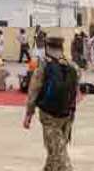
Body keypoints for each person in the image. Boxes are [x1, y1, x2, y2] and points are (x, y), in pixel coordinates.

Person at [23, 37, 80, 171]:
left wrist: (28, 115)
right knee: (56, 149)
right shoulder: (72, 66)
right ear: (61, 48)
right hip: (67, 114)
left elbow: (33, 91)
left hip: (49, 115)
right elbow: (76, 90)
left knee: (59, 154)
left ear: (47, 48)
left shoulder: (43, 65)